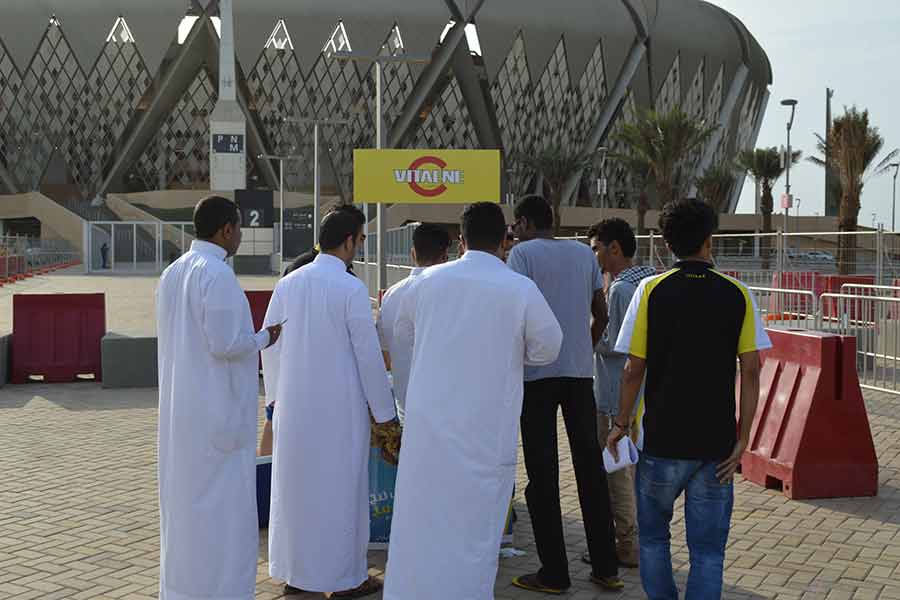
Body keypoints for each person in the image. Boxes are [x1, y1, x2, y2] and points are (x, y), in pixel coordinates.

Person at [382, 202, 563, 600]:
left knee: (421, 525)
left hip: (429, 432)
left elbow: (403, 334)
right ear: (504, 241)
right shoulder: (519, 288)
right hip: (485, 433)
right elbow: (549, 347)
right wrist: (510, 352)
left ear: (461, 240)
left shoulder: (425, 283)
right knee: (476, 534)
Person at [607, 199, 770, 599]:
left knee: (653, 540)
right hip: (717, 447)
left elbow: (633, 369)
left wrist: (620, 423)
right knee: (709, 553)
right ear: (709, 240)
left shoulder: (650, 290)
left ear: (667, 244)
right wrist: (743, 438)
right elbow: (751, 370)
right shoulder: (738, 293)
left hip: (661, 442)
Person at [262, 206, 397, 598]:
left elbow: (270, 344)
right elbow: (368, 356)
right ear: (350, 240)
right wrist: (385, 415)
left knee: (297, 492)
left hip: (293, 408)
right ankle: (345, 579)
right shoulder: (350, 288)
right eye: (362, 239)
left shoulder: (289, 283)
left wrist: (275, 399)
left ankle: (297, 575)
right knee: (341, 494)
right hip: (339, 411)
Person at [156, 195, 282, 600]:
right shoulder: (217, 275)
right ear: (227, 230)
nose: (240, 235)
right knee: (223, 514)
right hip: (216, 414)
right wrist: (266, 337)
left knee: (185, 509)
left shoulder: (172, 273)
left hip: (182, 413)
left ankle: (183, 590)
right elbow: (227, 343)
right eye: (239, 227)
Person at [507, 194, 622, 593]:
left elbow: (516, 314)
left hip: (536, 376)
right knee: (590, 469)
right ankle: (606, 566)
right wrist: (582, 347)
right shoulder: (583, 254)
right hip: (578, 375)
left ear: (525, 223)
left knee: (543, 475)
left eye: (516, 224)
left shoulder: (521, 255)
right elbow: (601, 312)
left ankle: (554, 573)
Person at [582, 218, 656, 569]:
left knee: (616, 472)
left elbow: (617, 345)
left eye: (596, 248)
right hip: (639, 395)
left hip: (615, 394)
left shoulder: (621, 289)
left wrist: (586, 334)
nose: (593, 255)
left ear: (614, 248)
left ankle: (626, 544)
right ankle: (637, 541)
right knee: (632, 470)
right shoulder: (648, 280)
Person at [376, 223, 451, 422]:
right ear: (446, 256)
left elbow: (384, 355)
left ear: (413, 253)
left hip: (405, 403)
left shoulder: (391, 295)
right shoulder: (453, 294)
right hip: (444, 405)